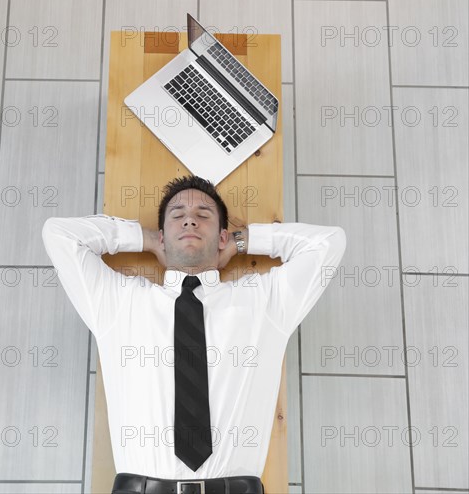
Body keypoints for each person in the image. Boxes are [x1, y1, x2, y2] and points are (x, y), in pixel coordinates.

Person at [42, 174, 347, 494]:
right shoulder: (119, 302)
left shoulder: (263, 303)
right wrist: (143, 239)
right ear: (163, 237)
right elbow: (60, 235)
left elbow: (328, 243)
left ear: (221, 237)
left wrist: (244, 241)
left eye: (203, 215)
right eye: (177, 216)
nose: (190, 221)